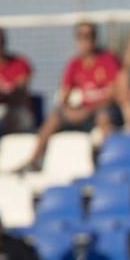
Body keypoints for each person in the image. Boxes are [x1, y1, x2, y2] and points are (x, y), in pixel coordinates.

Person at [23, 22, 121, 168]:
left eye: (88, 36)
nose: (85, 40)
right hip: (82, 112)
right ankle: (34, 161)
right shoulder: (74, 64)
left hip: (102, 110)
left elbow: (115, 94)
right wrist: (70, 110)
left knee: (104, 117)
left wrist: (90, 109)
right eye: (80, 36)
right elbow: (64, 96)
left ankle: (114, 162)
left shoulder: (108, 60)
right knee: (54, 116)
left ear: (95, 38)